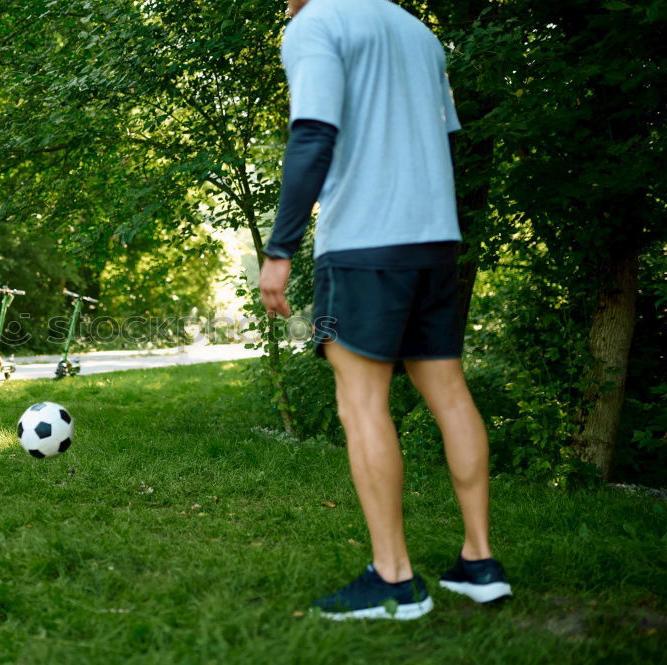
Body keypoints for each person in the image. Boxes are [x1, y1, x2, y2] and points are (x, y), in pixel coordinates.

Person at [259, 0, 512, 620]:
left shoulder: (314, 25)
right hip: (434, 239)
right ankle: (480, 563)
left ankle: (395, 578)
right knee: (449, 391)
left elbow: (314, 131)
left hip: (366, 244)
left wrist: (281, 247)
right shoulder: (417, 29)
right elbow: (446, 141)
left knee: (360, 400)